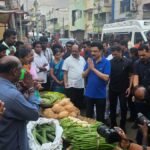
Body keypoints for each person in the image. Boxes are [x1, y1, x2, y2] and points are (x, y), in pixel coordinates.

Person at [0, 56, 39, 150]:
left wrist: (22, 90)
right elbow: (34, 114)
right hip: (13, 143)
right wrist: (31, 89)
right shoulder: (13, 95)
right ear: (13, 71)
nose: (22, 73)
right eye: (20, 70)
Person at [83, 42, 111, 122]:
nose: (92, 53)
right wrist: (89, 68)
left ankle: (99, 133)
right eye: (91, 51)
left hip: (100, 95)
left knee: (100, 117)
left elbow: (106, 78)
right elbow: (83, 75)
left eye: (95, 51)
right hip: (89, 94)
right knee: (88, 116)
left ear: (101, 51)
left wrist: (93, 69)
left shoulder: (106, 62)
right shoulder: (90, 61)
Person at [109, 46, 133, 131]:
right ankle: (113, 124)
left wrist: (130, 87)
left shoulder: (128, 62)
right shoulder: (110, 62)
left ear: (120, 52)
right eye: (112, 54)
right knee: (112, 107)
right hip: (112, 88)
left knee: (123, 107)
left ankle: (122, 125)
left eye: (115, 54)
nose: (114, 55)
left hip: (124, 89)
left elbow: (131, 76)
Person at [62, 44, 86, 109]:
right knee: (71, 105)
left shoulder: (82, 59)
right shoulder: (67, 60)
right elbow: (65, 73)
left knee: (79, 104)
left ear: (80, 50)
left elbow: (84, 71)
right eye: (73, 51)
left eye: (76, 51)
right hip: (71, 86)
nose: (74, 53)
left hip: (80, 85)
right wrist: (66, 84)